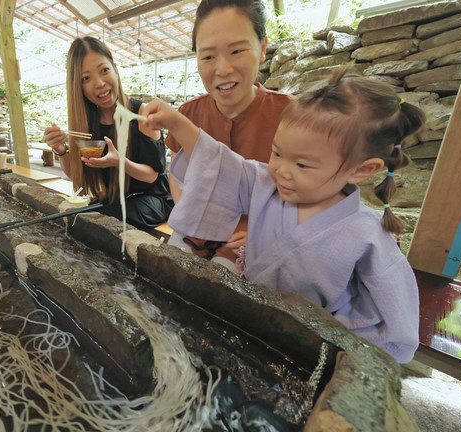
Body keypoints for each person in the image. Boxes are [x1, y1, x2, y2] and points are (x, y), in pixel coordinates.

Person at [142, 71, 422, 363]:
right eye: (276, 153)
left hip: (309, 351)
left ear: (361, 170)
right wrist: (178, 123)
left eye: (301, 164)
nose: (281, 171)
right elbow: (223, 164)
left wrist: (332, 343)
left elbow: (392, 329)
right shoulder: (266, 185)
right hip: (252, 326)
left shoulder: (367, 234)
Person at [165, 0, 292, 270]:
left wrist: (265, 230)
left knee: (225, 281)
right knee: (167, 270)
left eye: (236, 51)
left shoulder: (294, 116)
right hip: (195, 234)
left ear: (263, 48)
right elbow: (175, 173)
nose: (222, 69)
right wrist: (191, 210)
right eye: (208, 56)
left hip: (255, 237)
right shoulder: (187, 113)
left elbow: (313, 191)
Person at [44, 37, 172, 230]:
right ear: (78, 86)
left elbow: (152, 177)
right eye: (86, 78)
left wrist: (119, 161)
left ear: (115, 69)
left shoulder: (142, 114)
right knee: (78, 218)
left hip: (152, 200)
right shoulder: (86, 123)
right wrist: (61, 150)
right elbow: (77, 176)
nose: (99, 83)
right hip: (112, 201)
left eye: (104, 70)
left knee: (92, 222)